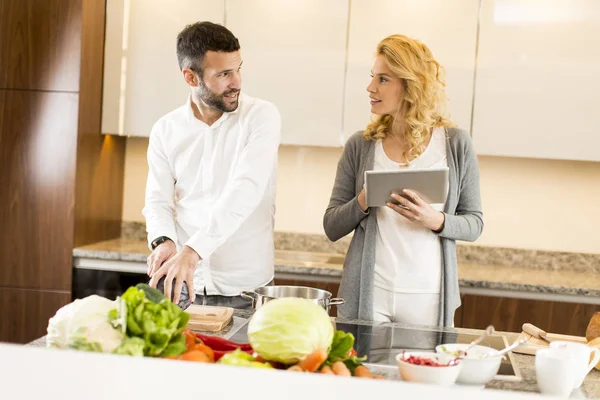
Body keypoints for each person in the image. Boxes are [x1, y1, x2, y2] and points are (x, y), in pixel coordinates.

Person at [323, 34, 483, 327]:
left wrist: (435, 219)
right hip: (370, 294)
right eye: (373, 77)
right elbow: (332, 226)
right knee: (364, 371)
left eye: (383, 79)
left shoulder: (456, 144)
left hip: (429, 296)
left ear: (410, 86)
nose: (370, 87)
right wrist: (364, 200)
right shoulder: (361, 145)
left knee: (420, 373)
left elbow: (475, 223)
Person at [143, 21, 281, 308]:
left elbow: (246, 190)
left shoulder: (261, 117)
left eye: (238, 69)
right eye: (224, 74)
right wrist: (163, 241)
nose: (237, 82)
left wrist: (193, 251)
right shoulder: (165, 129)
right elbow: (157, 201)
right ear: (191, 78)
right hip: (182, 283)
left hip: (246, 289)